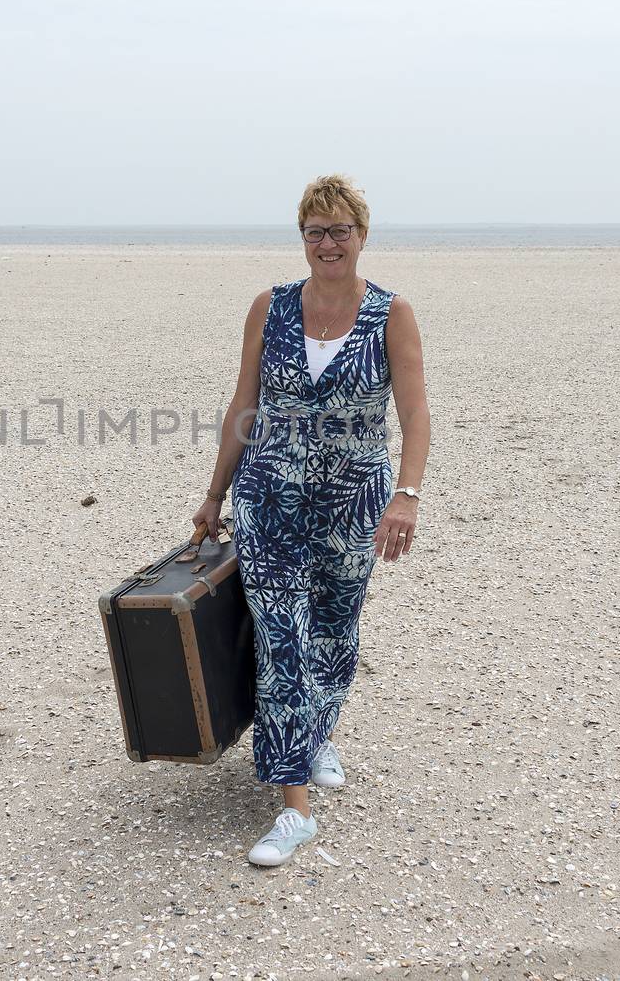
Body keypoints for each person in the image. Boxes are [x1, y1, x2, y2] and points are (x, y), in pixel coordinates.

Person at [191, 173, 430, 868]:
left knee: (333, 630)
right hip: (269, 496)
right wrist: (214, 493)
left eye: (340, 231)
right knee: (282, 637)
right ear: (302, 238)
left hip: (355, 500)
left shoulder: (391, 313)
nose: (328, 243)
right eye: (315, 232)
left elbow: (414, 414)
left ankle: (318, 732)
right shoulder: (270, 307)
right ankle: (294, 810)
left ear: (362, 236)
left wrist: (406, 494)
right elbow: (244, 404)